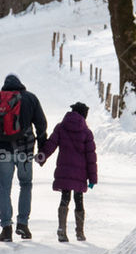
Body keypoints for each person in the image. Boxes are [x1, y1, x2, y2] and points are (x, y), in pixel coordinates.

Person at [0, 73, 47, 242]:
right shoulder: (30, 98)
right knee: (25, 184)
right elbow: (41, 125)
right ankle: (23, 225)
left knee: (4, 188)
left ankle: (6, 228)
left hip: (3, 151)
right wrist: (43, 149)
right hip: (25, 151)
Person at [38, 101, 97, 242]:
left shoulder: (61, 127)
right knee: (79, 200)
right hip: (80, 174)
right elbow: (91, 157)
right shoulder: (86, 132)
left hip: (64, 171)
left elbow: (51, 144)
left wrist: (42, 156)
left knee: (65, 198)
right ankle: (80, 232)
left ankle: (62, 230)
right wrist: (92, 178)